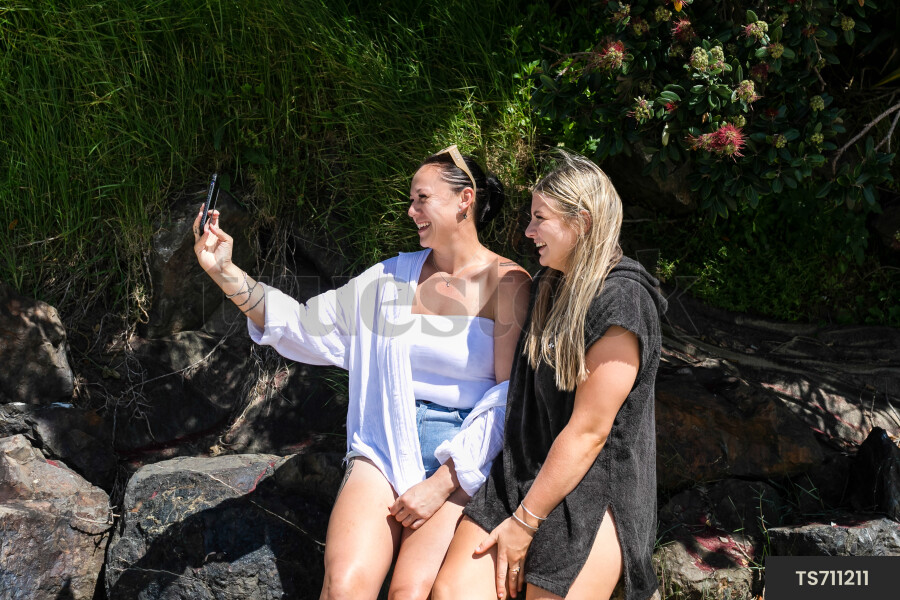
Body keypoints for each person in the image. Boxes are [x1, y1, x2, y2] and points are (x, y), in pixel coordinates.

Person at [192, 145, 531, 600]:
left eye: (421, 199)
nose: (411, 212)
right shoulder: (389, 278)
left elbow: (509, 398)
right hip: (384, 441)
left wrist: (443, 481)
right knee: (344, 587)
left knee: (410, 593)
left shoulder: (506, 282)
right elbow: (303, 325)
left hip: (462, 454)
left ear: (464, 200)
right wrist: (225, 271)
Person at [432, 150, 666, 600]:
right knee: (450, 594)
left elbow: (590, 432)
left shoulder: (623, 301)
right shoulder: (550, 285)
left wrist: (524, 523)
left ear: (581, 221)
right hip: (522, 474)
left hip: (595, 490)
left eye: (540, 218)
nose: (528, 231)